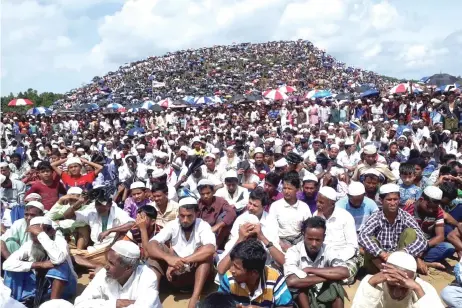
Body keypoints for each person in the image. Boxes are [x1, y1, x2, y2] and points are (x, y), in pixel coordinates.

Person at [148, 197, 216, 308]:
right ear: (178, 214)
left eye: (189, 216)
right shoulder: (173, 225)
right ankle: (152, 296)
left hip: (195, 275)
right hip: (175, 276)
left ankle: (194, 298)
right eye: (182, 216)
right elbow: (150, 245)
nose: (185, 220)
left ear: (197, 214)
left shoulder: (203, 226)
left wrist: (182, 261)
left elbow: (210, 249)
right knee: (157, 249)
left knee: (204, 254)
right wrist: (168, 259)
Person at [3, 216, 77, 304]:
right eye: (33, 234)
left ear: (51, 231)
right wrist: (39, 264)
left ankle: (53, 305)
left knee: (60, 265)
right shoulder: (29, 244)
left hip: (65, 288)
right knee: (12, 268)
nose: (35, 237)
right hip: (38, 287)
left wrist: (41, 235)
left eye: (37, 234)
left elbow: (58, 259)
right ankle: (15, 302)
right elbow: (7, 264)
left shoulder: (59, 241)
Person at [359, 183, 428, 274]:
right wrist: (382, 254)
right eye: (389, 200)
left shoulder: (405, 216)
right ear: (381, 200)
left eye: (395, 199)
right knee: (370, 240)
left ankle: (397, 271)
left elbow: (422, 240)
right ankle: (388, 272)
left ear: (399, 200)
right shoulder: (376, 217)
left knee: (411, 233)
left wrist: (402, 252)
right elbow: (362, 236)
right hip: (378, 262)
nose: (393, 203)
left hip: (399, 260)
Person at [284, 216, 349, 308]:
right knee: (301, 289)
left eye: (318, 240)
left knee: (335, 286)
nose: (314, 244)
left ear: (324, 237)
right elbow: (291, 281)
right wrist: (331, 277)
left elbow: (345, 272)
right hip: (304, 299)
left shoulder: (328, 249)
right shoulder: (293, 251)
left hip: (324, 293)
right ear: (303, 234)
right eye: (310, 239)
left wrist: (310, 270)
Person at [74, 240, 162, 308]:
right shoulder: (104, 273)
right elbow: (79, 303)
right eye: (107, 261)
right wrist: (115, 303)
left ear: (128, 267)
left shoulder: (147, 277)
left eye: (111, 263)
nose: (106, 266)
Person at [218, 188, 284, 274]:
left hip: (263, 264)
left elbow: (281, 259)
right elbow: (223, 265)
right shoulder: (241, 219)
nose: (250, 207)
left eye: (255, 205)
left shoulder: (270, 221)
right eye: (250, 203)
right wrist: (241, 238)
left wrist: (261, 237)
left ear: (264, 207)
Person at [352, 251, 444, 308]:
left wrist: (418, 290)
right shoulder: (371, 282)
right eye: (392, 285)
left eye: (403, 287)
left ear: (413, 280)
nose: (397, 293)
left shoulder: (424, 288)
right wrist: (371, 284)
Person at [218, 238, 293, 307]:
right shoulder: (229, 277)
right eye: (232, 265)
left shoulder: (275, 278)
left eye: (236, 267)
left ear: (253, 273)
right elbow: (218, 304)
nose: (231, 270)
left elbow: (288, 307)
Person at [315, 186, 361, 284]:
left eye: (321, 202)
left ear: (332, 204)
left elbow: (352, 246)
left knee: (347, 275)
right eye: (317, 201)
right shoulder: (315, 216)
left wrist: (336, 258)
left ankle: (321, 279)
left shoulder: (345, 217)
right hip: (322, 257)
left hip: (343, 257)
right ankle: (328, 278)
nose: (318, 205)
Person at [404, 186, 455, 273]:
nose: (431, 210)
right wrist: (416, 250)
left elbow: (440, 236)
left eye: (434, 207)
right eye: (428, 207)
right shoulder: (409, 210)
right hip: (408, 246)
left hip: (426, 245)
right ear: (421, 199)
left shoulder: (437, 211)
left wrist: (424, 246)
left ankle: (422, 261)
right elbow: (403, 236)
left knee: (448, 248)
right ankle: (419, 262)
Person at [269, 171, 312, 251]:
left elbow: (308, 228)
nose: (286, 191)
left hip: (300, 241)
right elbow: (272, 231)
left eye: (289, 189)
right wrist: (281, 245)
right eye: (284, 188)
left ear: (297, 190)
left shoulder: (304, 207)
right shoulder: (275, 206)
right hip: (281, 241)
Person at [197, 179, 237, 248]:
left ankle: (216, 246)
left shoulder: (220, 201)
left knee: (225, 219)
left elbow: (232, 213)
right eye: (202, 194)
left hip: (217, 233)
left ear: (213, 192)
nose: (205, 196)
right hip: (202, 233)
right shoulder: (198, 204)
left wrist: (218, 225)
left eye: (208, 193)